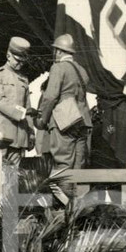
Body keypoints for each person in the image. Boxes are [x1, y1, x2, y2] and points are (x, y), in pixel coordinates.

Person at [35, 34, 92, 176]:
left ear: (59, 51)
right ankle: (78, 198)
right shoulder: (82, 70)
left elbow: (50, 97)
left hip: (65, 120)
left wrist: (43, 119)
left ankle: (64, 199)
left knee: (62, 165)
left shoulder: (58, 68)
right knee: (79, 167)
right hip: (83, 120)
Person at [0, 37, 35, 167]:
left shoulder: (24, 79)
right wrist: (21, 113)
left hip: (19, 136)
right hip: (1, 132)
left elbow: (27, 107)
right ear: (8, 55)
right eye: (18, 60)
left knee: (13, 179)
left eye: (23, 61)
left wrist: (31, 133)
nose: (21, 64)